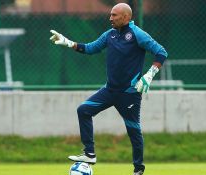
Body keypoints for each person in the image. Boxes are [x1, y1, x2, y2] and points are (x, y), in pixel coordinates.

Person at [49, 3, 168, 175]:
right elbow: (90, 48)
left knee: (134, 131)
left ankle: (138, 169)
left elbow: (161, 52)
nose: (110, 18)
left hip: (129, 94)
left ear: (126, 17)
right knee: (83, 110)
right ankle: (89, 154)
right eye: (110, 15)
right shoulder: (110, 34)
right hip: (109, 91)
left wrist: (149, 75)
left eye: (114, 15)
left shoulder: (137, 34)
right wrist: (67, 42)